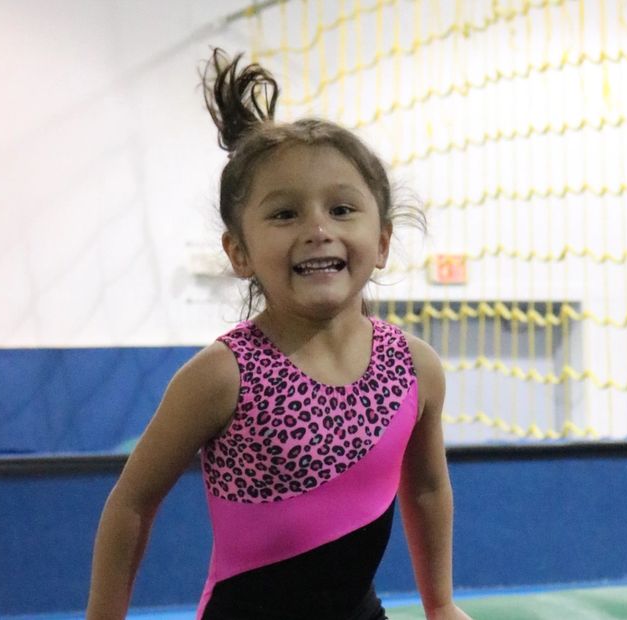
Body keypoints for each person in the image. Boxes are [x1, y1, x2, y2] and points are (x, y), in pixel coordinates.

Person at [87, 49, 470, 620]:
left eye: (342, 209)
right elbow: (132, 505)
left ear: (383, 241)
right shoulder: (223, 375)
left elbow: (426, 491)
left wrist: (440, 605)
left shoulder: (414, 367)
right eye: (285, 214)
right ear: (238, 252)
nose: (318, 230)